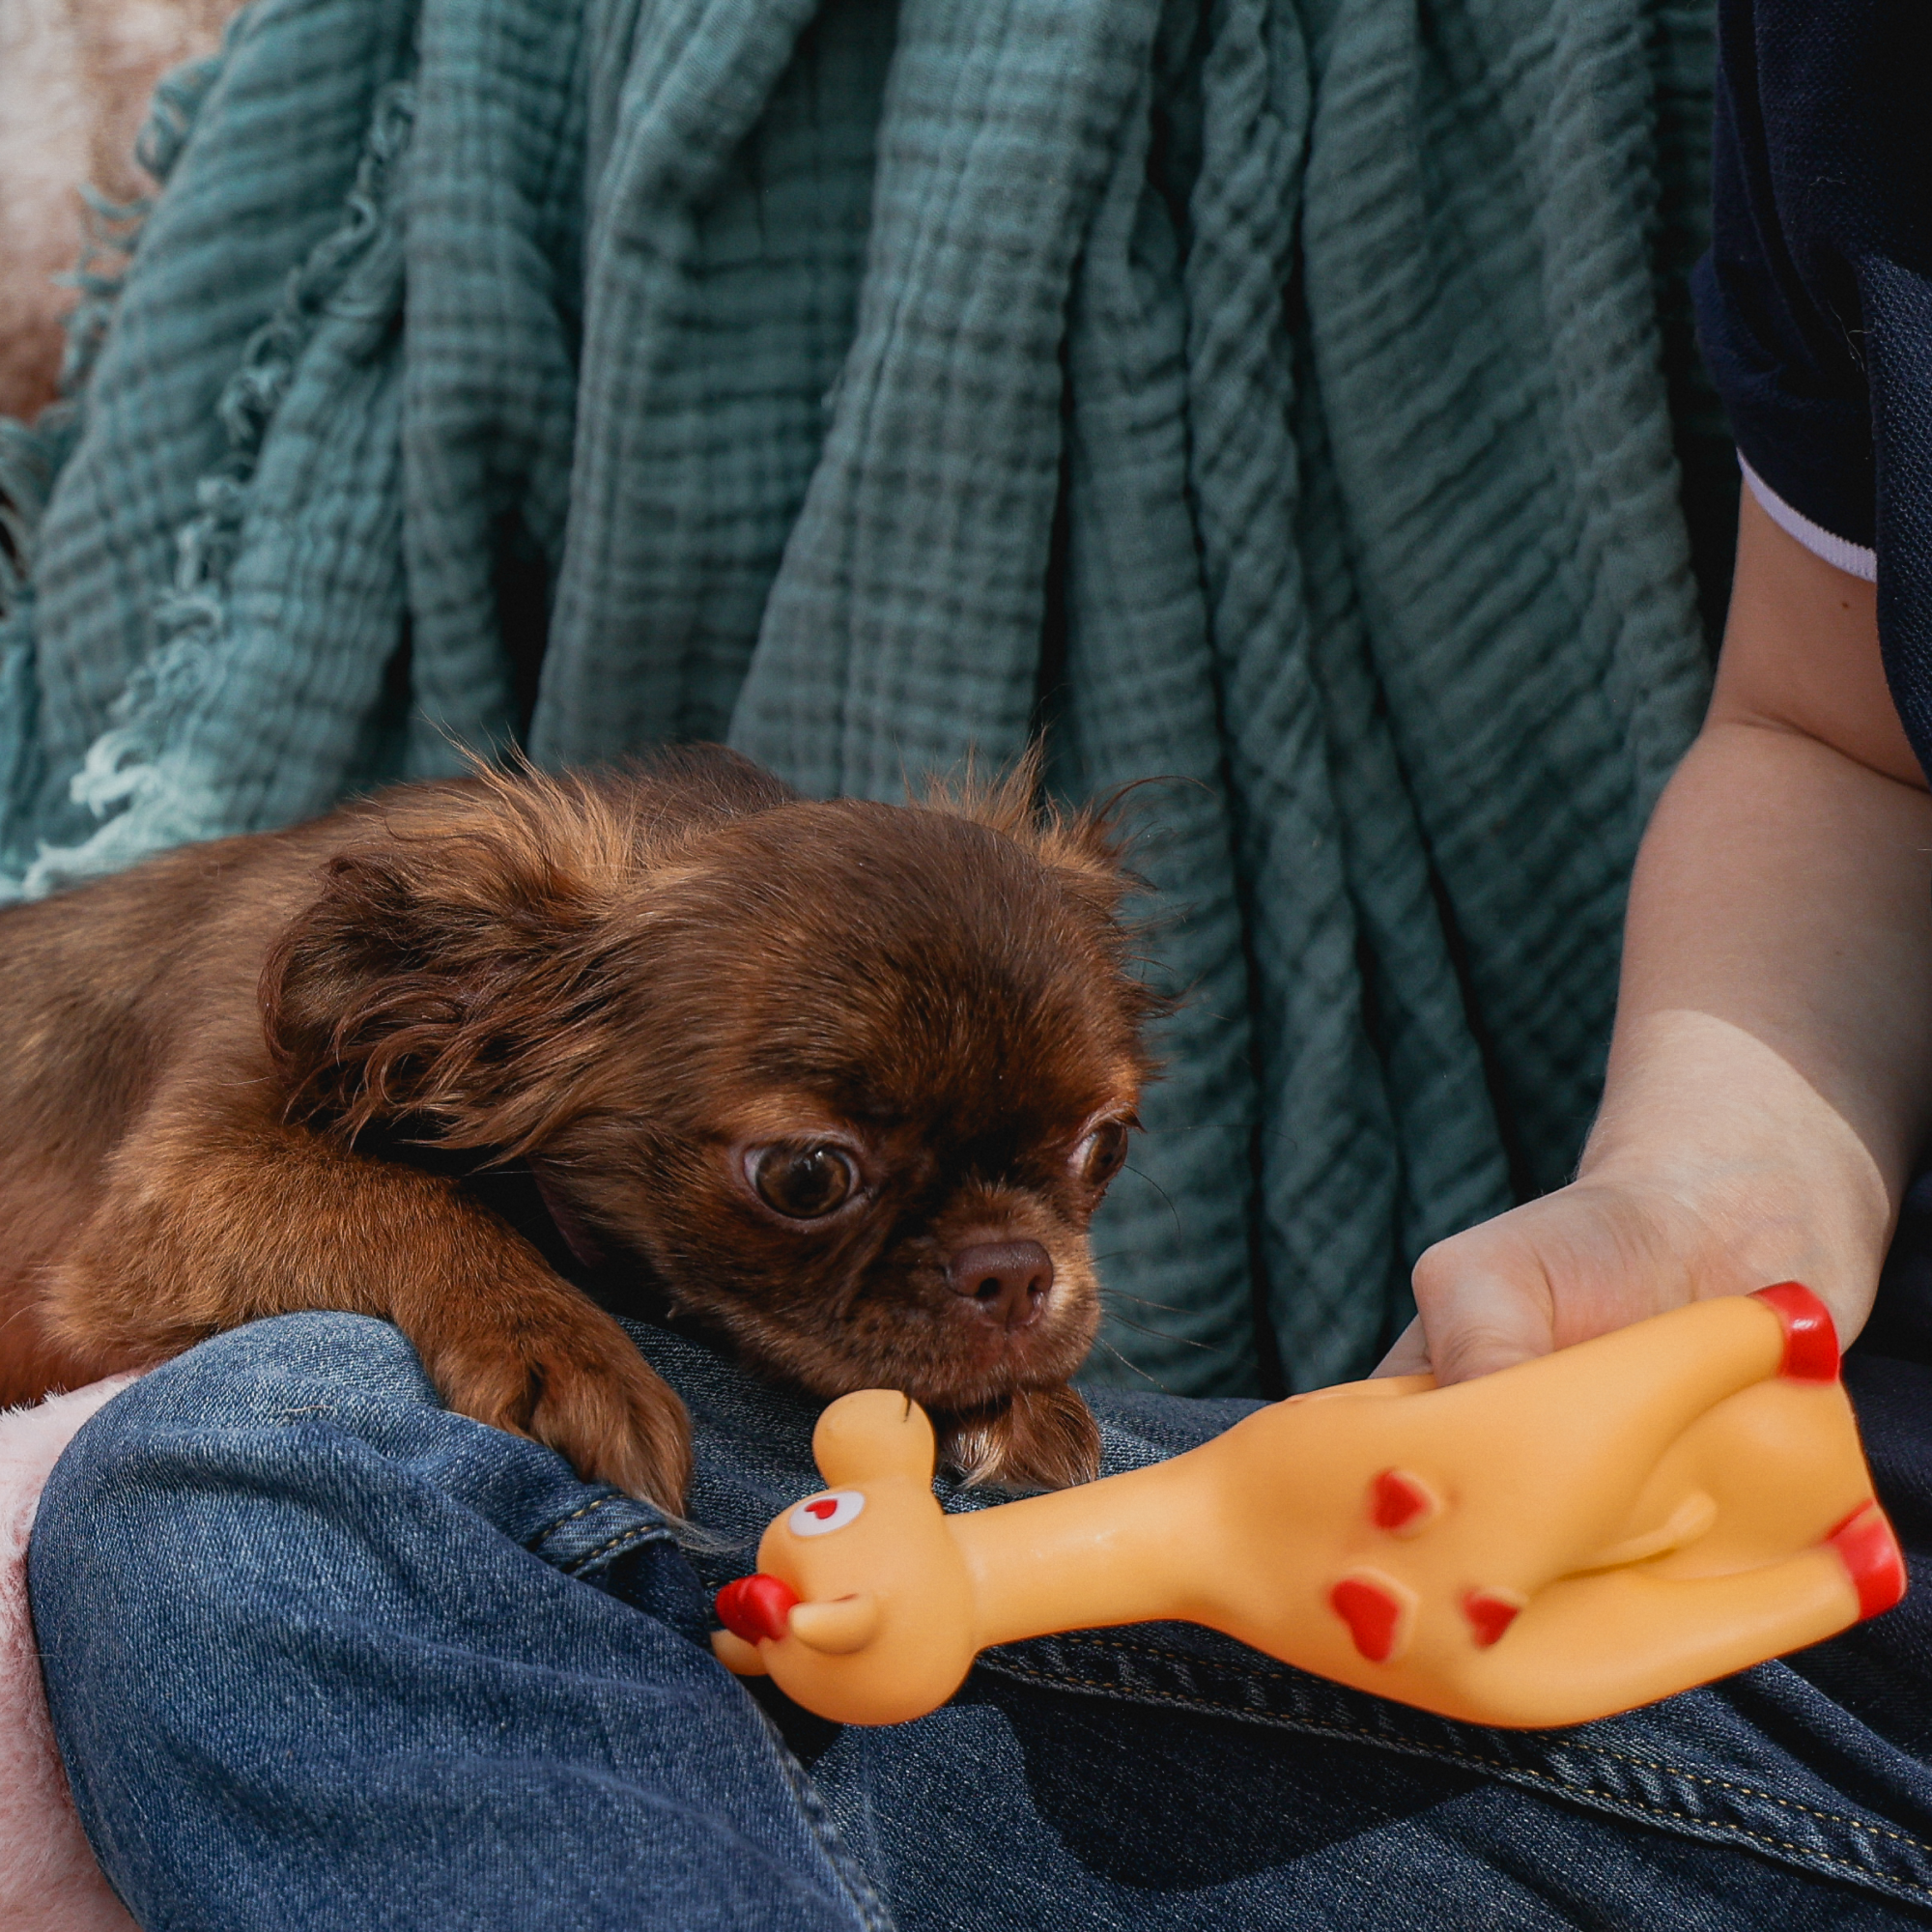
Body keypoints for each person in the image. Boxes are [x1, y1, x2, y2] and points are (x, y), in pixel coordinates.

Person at [29, 1, 1932, 1924]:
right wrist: (1714, 1194)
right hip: (1796, 1597)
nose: (1023, 1270)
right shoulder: (1832, 67)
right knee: (279, 1479)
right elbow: (1834, 741)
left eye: (1088, 1157)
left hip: (1827, 1681)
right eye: (811, 1178)